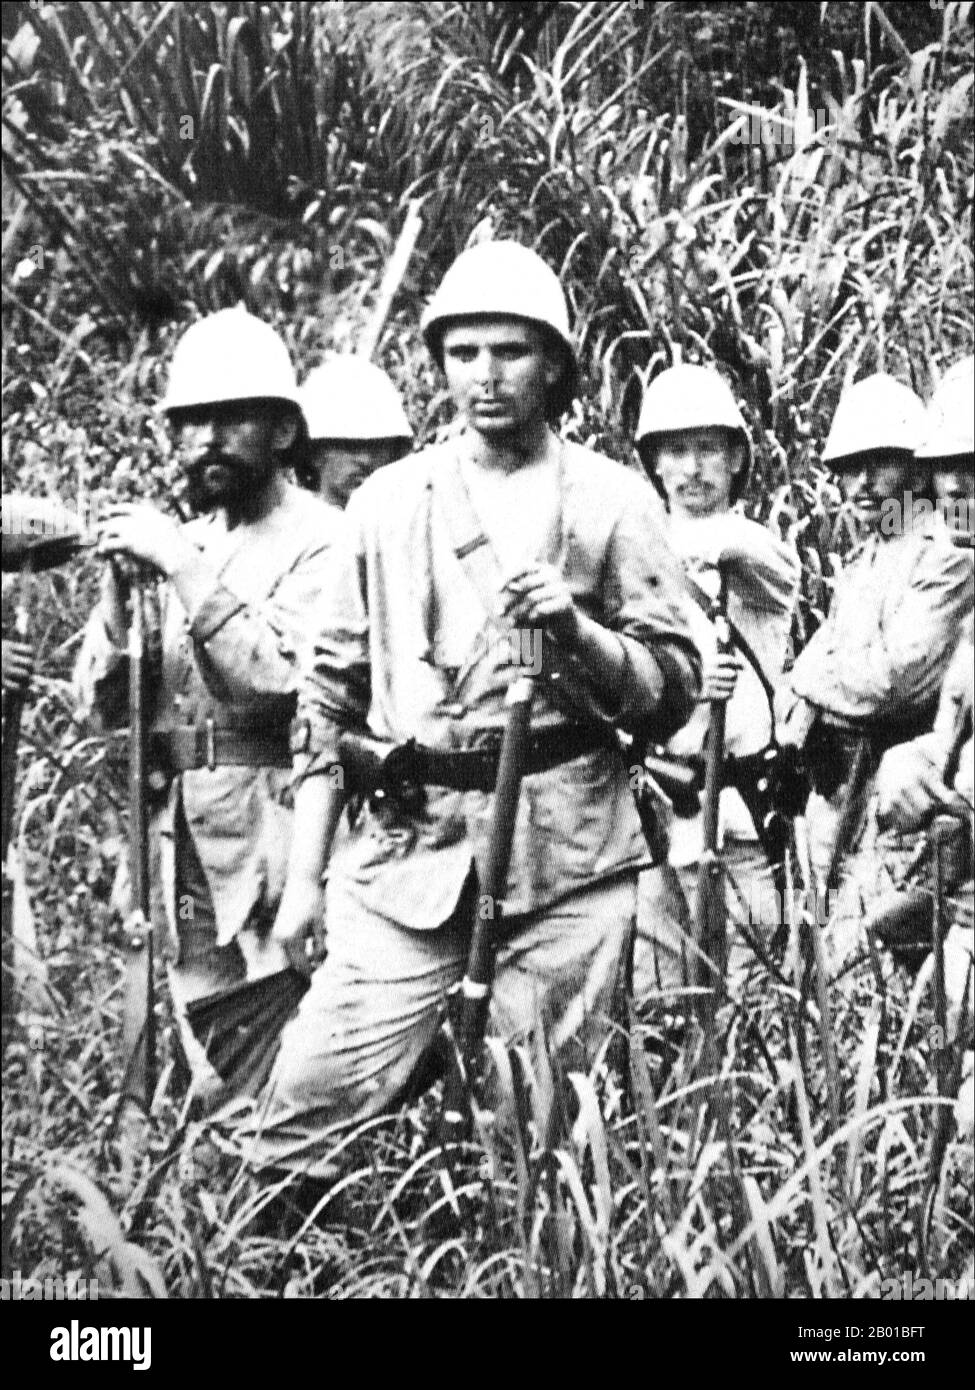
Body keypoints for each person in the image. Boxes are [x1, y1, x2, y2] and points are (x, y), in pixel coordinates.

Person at [239, 241, 702, 1178]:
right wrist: (303, 884)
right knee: (304, 1109)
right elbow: (328, 702)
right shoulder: (384, 504)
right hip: (410, 854)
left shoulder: (611, 503)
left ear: (556, 366)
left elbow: (671, 688)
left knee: (529, 1135)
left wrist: (575, 633)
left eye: (511, 352)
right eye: (463, 353)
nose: (484, 377)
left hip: (565, 857)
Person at [74, 307, 342, 1098]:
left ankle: (297, 1205)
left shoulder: (323, 541)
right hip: (181, 834)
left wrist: (184, 568)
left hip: (278, 827)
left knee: (287, 1043)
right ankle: (231, 1195)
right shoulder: (180, 543)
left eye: (230, 419)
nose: (206, 441)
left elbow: (281, 687)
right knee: (209, 1051)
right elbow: (105, 707)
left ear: (284, 432)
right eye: (190, 422)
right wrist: (121, 600)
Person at [630, 364, 800, 1004]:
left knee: (749, 999)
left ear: (735, 458)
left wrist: (632, 545)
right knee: (657, 1000)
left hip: (740, 809)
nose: (692, 467)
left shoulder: (755, 552)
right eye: (675, 450)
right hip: (662, 805)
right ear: (654, 462)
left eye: (707, 449)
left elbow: (734, 546)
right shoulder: (639, 546)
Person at [780, 372, 973, 892]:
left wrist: (806, 677)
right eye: (847, 468)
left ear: (916, 467)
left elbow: (892, 683)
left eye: (879, 463)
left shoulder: (945, 549)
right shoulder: (868, 555)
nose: (862, 482)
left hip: (898, 797)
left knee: (871, 945)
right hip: (841, 791)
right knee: (820, 941)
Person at [297, 356, 414, 510]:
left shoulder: (409, 528)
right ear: (314, 453)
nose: (365, 459)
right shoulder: (292, 530)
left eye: (376, 445)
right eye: (350, 445)